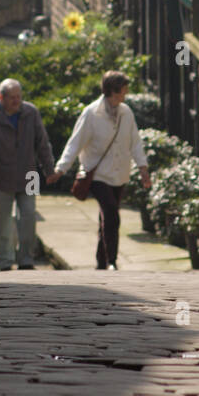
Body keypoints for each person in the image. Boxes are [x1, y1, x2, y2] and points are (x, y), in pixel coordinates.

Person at [53, 70, 150, 270]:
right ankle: (112, 261)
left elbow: (135, 143)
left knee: (105, 219)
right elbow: (75, 143)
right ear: (112, 92)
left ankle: (100, 263)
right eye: (123, 91)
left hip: (120, 173)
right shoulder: (91, 114)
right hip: (97, 174)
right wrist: (61, 169)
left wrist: (143, 169)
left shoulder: (126, 112)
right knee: (112, 214)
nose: (125, 94)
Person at [0, 78, 55, 271]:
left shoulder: (31, 112)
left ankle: (26, 260)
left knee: (28, 218)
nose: (16, 101)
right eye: (12, 97)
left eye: (19, 97)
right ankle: (4, 261)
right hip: (1, 176)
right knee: (0, 223)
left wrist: (49, 169)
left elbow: (42, 144)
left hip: (30, 175)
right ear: (1, 98)